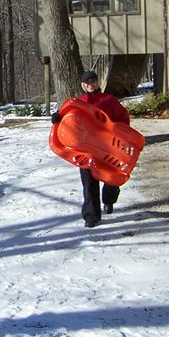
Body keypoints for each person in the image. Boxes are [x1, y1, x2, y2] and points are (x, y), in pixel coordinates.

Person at [52, 70, 130, 228]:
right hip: (86, 148)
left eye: (93, 81)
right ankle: (91, 216)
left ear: (97, 82)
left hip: (108, 147)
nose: (90, 85)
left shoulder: (109, 100)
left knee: (111, 179)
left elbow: (123, 117)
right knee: (89, 183)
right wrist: (57, 118)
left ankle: (108, 200)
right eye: (87, 83)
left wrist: (120, 132)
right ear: (83, 85)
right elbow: (67, 117)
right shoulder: (79, 103)